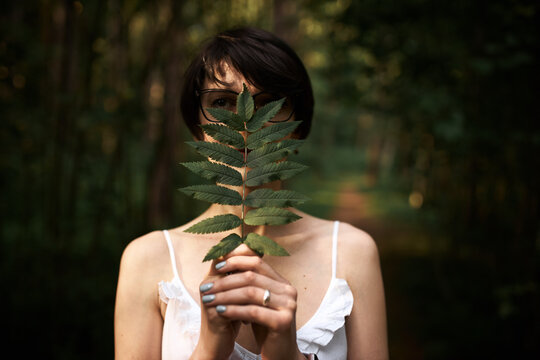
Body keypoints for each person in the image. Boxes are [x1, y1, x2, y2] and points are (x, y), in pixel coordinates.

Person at [114, 27, 388, 360]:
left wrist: (286, 353)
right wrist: (209, 348)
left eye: (270, 103)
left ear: (297, 127)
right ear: (198, 129)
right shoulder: (146, 260)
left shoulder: (351, 253)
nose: (247, 123)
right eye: (222, 102)